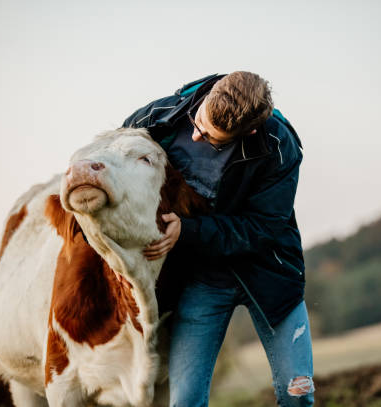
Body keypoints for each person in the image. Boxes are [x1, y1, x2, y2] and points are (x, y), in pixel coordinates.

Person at [123, 72, 314, 407]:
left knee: (298, 394)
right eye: (198, 121)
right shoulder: (159, 117)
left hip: (269, 275)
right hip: (202, 278)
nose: (195, 135)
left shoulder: (280, 147)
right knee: (185, 403)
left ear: (249, 132)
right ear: (208, 97)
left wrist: (186, 231)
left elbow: (261, 227)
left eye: (212, 139)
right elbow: (116, 156)